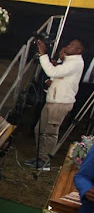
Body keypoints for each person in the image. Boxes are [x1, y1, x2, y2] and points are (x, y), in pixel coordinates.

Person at [25, 39, 85, 170]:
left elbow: (53, 72)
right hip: (53, 101)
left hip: (60, 103)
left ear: (78, 51)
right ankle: (40, 157)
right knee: (39, 130)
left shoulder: (75, 63)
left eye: (71, 45)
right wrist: (57, 62)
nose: (67, 46)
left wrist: (43, 54)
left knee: (50, 132)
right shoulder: (69, 62)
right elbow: (57, 74)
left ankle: (45, 162)